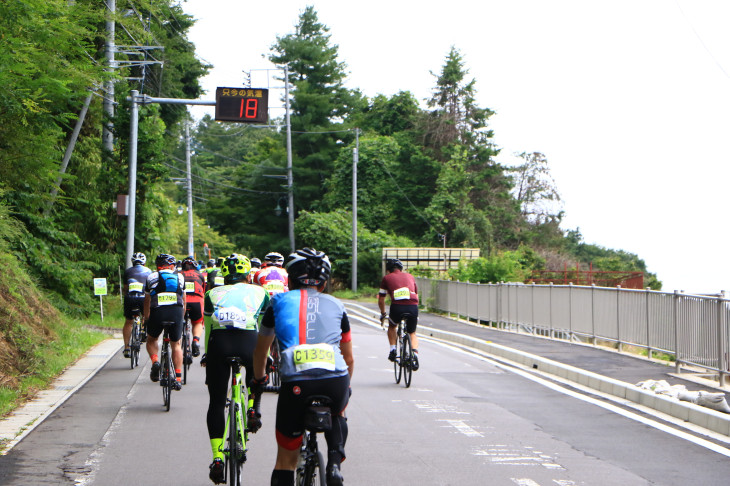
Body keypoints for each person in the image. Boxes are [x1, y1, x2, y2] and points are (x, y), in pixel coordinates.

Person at [252, 248, 354, 486]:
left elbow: (261, 351)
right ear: (325, 280)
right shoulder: (338, 305)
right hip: (335, 378)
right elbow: (349, 359)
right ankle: (335, 465)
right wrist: (346, 388)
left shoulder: (277, 301)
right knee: (339, 410)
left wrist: (259, 379)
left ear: (291, 277)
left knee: (285, 460)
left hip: (297, 383)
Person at [203, 253, 271, 484]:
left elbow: (209, 330)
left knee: (216, 402)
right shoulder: (260, 292)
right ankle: (252, 408)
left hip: (219, 345)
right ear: (248, 274)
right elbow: (264, 330)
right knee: (257, 371)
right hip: (249, 342)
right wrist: (268, 356)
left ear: (224, 274)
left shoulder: (212, 293)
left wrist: (207, 354)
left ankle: (218, 458)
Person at [144, 253, 186, 391]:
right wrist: (182, 316)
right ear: (172, 266)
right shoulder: (180, 277)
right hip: (176, 311)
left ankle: (155, 361)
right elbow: (183, 299)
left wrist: (147, 317)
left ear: (157, 266)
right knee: (176, 344)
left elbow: (147, 300)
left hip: (158, 311)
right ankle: (178, 378)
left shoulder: (151, 276)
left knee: (151, 339)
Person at [378, 258, 420, 370]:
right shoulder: (410, 276)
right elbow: (416, 295)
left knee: (392, 326)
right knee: (412, 332)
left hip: (397, 307)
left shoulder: (386, 278)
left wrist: (383, 314)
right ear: (401, 269)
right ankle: (414, 355)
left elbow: (381, 299)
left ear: (388, 270)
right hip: (413, 306)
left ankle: (392, 350)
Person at [122, 252, 152, 358]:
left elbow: (125, 288)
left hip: (130, 298)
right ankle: (143, 331)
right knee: (146, 315)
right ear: (144, 262)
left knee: (129, 322)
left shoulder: (127, 272)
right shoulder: (149, 271)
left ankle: (126, 347)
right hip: (143, 298)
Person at [181, 256, 206, 358]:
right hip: (196, 301)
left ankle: (177, 344)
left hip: (182, 302)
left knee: (177, 323)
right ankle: (195, 340)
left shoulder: (178, 274)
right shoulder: (200, 275)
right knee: (197, 323)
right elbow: (203, 292)